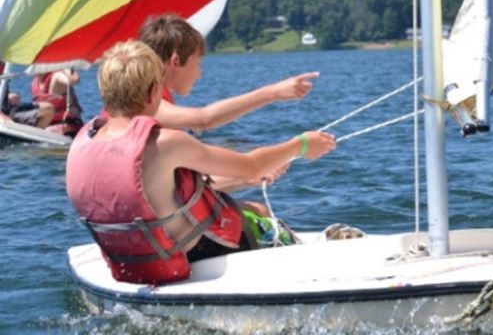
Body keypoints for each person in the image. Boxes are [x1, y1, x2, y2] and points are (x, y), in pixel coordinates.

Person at [66, 40, 336, 286]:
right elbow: (252, 165)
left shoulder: (83, 141)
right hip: (196, 252)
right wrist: (301, 145)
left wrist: (250, 177)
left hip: (132, 260)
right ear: (152, 93)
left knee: (249, 207)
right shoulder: (165, 143)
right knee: (258, 216)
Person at [137, 15, 318, 131]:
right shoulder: (147, 103)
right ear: (176, 61)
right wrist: (273, 93)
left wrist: (250, 175)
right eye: (198, 63)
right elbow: (204, 119)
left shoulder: (149, 95)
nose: (199, 74)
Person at [0, 62, 55, 128]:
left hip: (8, 109)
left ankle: (33, 135)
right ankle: (26, 136)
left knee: (48, 108)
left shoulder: (5, 66)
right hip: (5, 114)